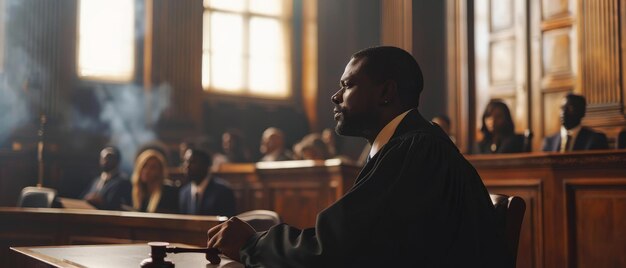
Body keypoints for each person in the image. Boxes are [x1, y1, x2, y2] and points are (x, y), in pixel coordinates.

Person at [206, 46, 508, 267]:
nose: (335, 97)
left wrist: (252, 243)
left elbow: (338, 249)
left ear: (385, 92)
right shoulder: (409, 144)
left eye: (347, 85)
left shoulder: (417, 150)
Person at [179, 148, 236, 217]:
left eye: (193, 162)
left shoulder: (223, 192)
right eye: (186, 161)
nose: (187, 166)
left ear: (205, 165)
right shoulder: (184, 193)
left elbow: (228, 224)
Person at [542, 93, 609, 152]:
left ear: (582, 112)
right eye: (562, 108)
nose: (563, 112)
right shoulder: (549, 142)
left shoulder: (596, 139)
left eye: (570, 108)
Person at [81, 146, 131, 210]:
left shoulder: (123, 181)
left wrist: (102, 202)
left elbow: (124, 205)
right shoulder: (96, 180)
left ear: (117, 160)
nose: (105, 161)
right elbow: (82, 198)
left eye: (109, 158)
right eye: (103, 158)